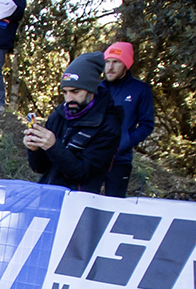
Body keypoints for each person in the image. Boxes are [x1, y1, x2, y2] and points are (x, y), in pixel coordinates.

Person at [24, 51, 122, 193]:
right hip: (48, 196)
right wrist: (35, 150)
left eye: (75, 92)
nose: (69, 99)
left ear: (91, 90)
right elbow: (40, 169)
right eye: (65, 92)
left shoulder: (108, 125)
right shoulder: (57, 116)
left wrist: (53, 146)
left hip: (79, 204)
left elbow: (82, 174)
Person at [99, 42, 155, 198]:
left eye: (116, 62)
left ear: (126, 64)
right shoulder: (98, 88)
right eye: (107, 61)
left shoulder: (140, 90)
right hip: (93, 159)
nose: (109, 67)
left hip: (120, 161)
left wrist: (125, 142)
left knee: (113, 204)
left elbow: (147, 124)